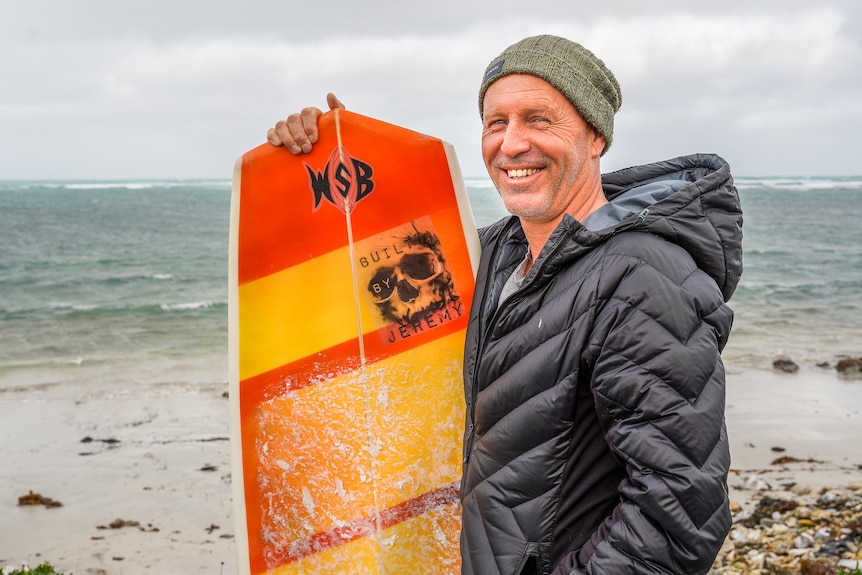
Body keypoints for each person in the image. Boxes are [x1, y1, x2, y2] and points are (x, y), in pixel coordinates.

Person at [268, 34, 742, 575]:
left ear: (596, 137)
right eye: (496, 123)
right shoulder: (489, 254)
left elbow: (679, 512)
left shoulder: (642, 276)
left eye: (539, 120)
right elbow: (372, 318)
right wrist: (324, 157)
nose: (511, 145)